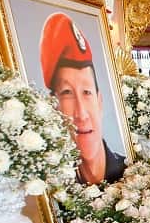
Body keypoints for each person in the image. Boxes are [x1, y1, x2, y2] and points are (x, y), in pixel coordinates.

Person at [40, 12, 126, 185]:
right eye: (67, 93)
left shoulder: (127, 170)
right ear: (54, 108)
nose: (81, 113)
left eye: (87, 93)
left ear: (100, 102)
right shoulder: (55, 185)